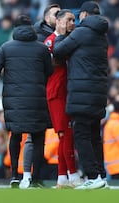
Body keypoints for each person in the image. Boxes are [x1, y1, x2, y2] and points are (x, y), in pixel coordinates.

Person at [0, 15, 53, 188]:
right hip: (38, 100)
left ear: (15, 28)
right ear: (31, 28)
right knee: (38, 138)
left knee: (15, 136)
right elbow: (50, 72)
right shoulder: (41, 49)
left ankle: (15, 175)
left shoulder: (5, 48)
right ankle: (35, 178)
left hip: (13, 101)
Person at [53, 1, 109, 189]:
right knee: (94, 136)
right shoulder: (102, 35)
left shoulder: (82, 32)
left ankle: (92, 177)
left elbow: (58, 51)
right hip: (98, 93)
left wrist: (60, 35)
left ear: (84, 14)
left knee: (82, 135)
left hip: (81, 93)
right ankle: (101, 176)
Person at [20, 3, 61, 186]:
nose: (59, 16)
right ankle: (27, 176)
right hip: (39, 91)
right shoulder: (38, 38)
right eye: (56, 14)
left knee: (59, 134)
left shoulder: (64, 36)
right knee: (33, 136)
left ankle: (61, 176)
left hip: (56, 90)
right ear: (47, 18)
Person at [41, 9, 81, 189]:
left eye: (74, 20)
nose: (72, 23)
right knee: (66, 134)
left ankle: (62, 179)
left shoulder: (70, 41)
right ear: (58, 22)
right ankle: (73, 176)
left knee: (65, 136)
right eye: (69, 20)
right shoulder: (49, 41)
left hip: (67, 92)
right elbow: (51, 64)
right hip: (56, 93)